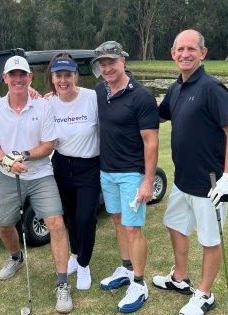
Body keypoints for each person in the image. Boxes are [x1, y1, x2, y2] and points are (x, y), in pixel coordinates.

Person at [152, 29, 228, 315]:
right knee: (175, 225)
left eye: (191, 49)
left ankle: (204, 294)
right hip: (182, 181)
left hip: (210, 184)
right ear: (172, 54)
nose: (185, 54)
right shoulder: (176, 87)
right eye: (180, 49)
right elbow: (159, 115)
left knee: (209, 239)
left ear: (203, 53)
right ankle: (180, 277)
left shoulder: (213, 88)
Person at [0, 55, 73, 314]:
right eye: (13, 75)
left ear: (30, 78)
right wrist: (7, 161)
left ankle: (62, 283)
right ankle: (15, 257)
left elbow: (49, 144)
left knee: (55, 222)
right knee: (4, 224)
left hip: (41, 174)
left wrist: (24, 155)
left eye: (23, 75)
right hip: (7, 175)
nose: (18, 79)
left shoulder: (42, 107)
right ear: (5, 78)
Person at [92, 41, 159, 313]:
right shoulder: (99, 91)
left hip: (132, 173)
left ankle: (140, 284)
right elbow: (70, 97)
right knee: (119, 223)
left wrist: (147, 180)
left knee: (133, 229)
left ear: (123, 61)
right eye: (102, 64)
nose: (106, 68)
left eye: (111, 62)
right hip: (107, 171)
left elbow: (151, 142)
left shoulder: (141, 96)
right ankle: (126, 268)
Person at [45, 53, 100, 291]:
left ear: (76, 75)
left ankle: (84, 264)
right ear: (53, 77)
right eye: (59, 75)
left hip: (89, 166)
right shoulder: (49, 102)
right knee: (69, 216)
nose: (63, 80)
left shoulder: (92, 97)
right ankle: (75, 255)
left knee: (86, 218)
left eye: (68, 75)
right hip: (61, 165)